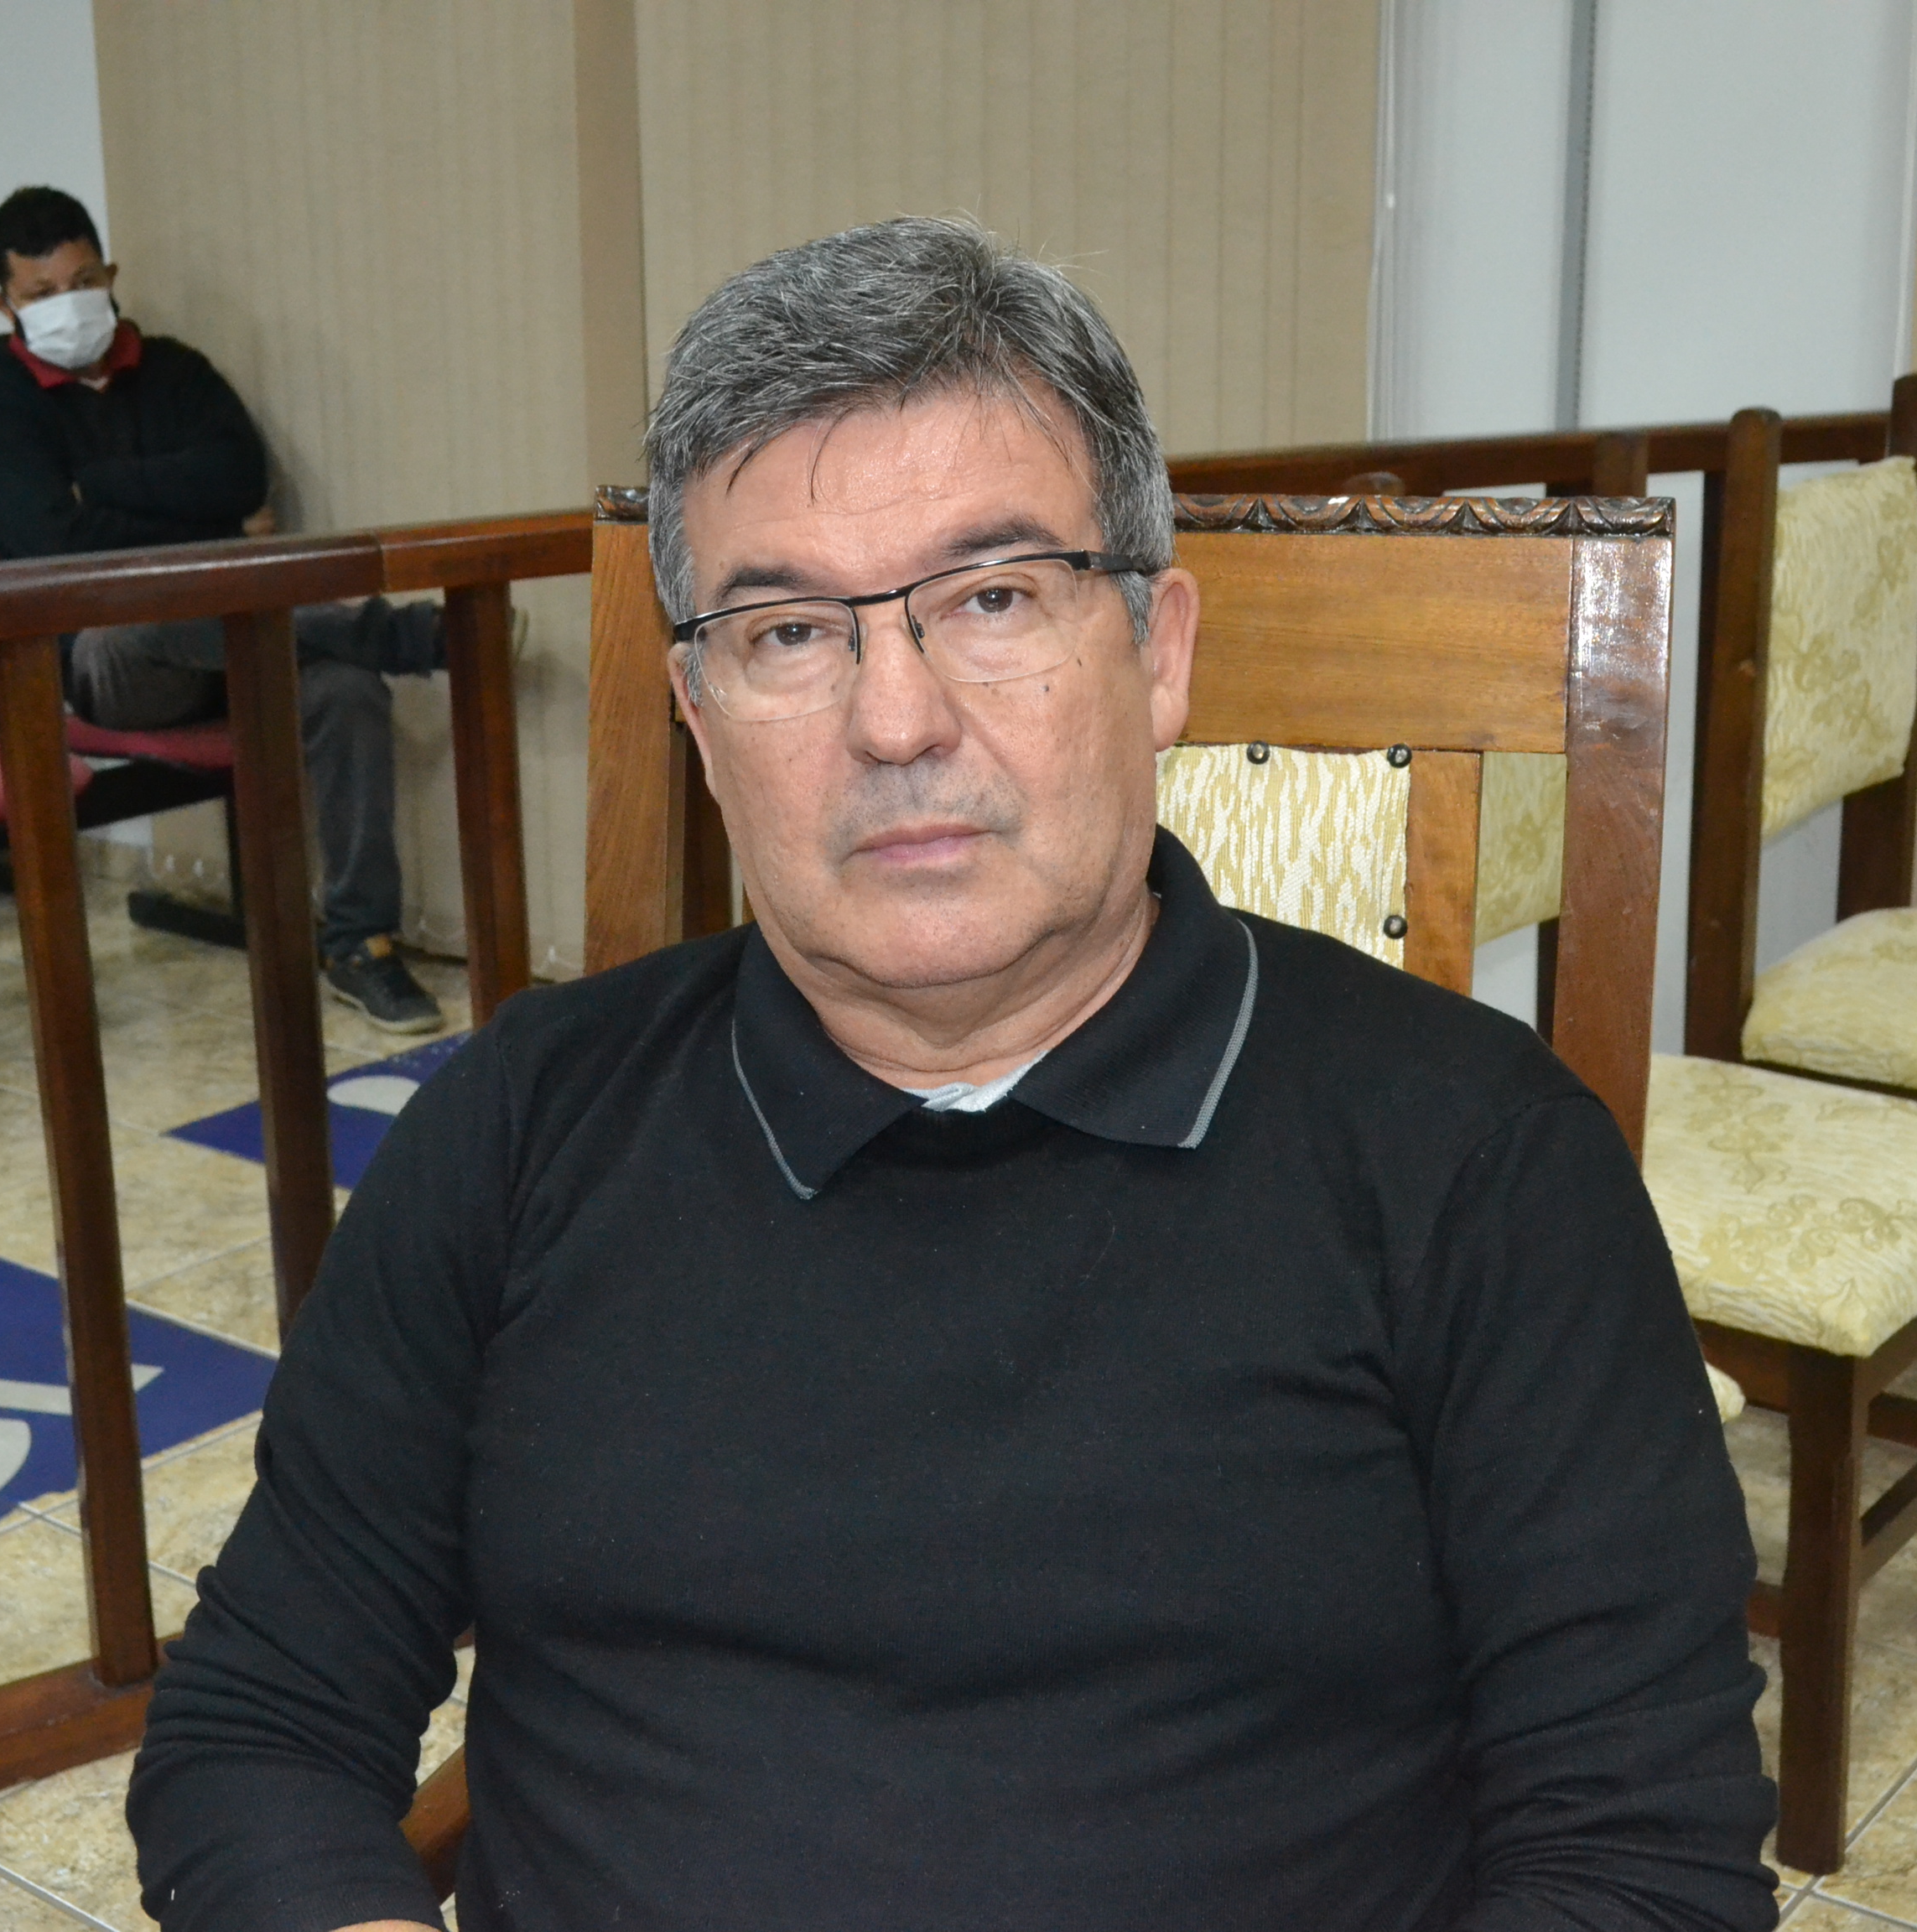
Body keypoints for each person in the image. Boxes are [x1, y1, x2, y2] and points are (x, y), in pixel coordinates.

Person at [129, 217, 1776, 1931]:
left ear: (1156, 653)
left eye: (993, 598)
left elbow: (1641, 1864)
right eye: (787, 631)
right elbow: (261, 1723)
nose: (896, 720)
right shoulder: (522, 1125)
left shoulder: (1479, 1164)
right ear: (699, 719)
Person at [0, 185, 444, 1033]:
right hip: (111, 659)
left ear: (110, 274)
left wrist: (98, 487)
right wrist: (209, 527)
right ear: (5, 305)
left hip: (241, 641)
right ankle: (395, 632)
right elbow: (52, 545)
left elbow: (240, 476)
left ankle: (359, 943)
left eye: (82, 282)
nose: (68, 304)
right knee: (150, 608)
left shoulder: (176, 369)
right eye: (41, 294)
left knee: (347, 690)